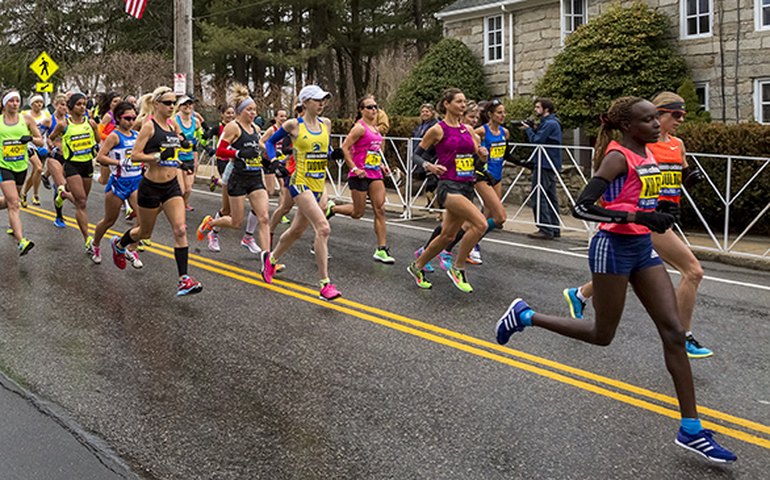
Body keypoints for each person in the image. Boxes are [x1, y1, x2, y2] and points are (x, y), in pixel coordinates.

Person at [495, 96, 736, 464]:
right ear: (627, 126)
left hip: (641, 248)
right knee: (601, 335)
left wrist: (660, 211)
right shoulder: (617, 156)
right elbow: (582, 205)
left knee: (673, 333)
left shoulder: (648, 151)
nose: (657, 124)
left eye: (658, 118)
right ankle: (525, 315)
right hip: (613, 247)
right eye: (649, 120)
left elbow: (639, 196)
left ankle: (691, 429)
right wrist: (637, 215)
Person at [563, 92, 712, 358]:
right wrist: (637, 215)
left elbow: (671, 182)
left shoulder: (677, 145)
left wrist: (688, 182)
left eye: (682, 115)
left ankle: (581, 294)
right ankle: (683, 336)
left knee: (627, 274)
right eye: (674, 114)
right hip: (641, 220)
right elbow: (609, 192)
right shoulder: (640, 145)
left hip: (661, 215)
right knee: (693, 270)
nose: (678, 120)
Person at [110, 86, 202, 296]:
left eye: (173, 103)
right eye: (168, 103)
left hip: (171, 187)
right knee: (144, 232)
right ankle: (120, 243)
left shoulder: (171, 125)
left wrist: (182, 153)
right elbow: (135, 155)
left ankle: (183, 279)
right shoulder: (148, 126)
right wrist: (158, 157)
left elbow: (176, 146)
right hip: (150, 187)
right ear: (157, 104)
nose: (172, 107)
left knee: (180, 229)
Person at [261, 85, 342, 301]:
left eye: (324, 99)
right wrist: (277, 161)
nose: (322, 103)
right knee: (323, 228)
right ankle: (325, 284)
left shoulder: (326, 124)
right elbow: (269, 142)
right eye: (317, 100)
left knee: (296, 231)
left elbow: (324, 149)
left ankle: (271, 259)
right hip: (300, 183)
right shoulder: (293, 125)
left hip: (319, 185)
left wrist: (335, 154)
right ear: (305, 102)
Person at [407, 88, 488, 293]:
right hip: (448, 186)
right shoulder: (437, 129)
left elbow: (474, 159)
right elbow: (416, 155)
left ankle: (416, 267)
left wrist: (482, 156)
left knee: (447, 236)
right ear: (446, 104)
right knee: (480, 224)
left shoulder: (468, 130)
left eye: (464, 102)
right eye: (459, 102)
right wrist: (430, 166)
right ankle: (458, 268)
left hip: (466, 185)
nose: (463, 105)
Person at [196, 84, 270, 257]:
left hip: (255, 177)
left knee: (265, 217)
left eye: (255, 110)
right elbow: (220, 150)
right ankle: (211, 224)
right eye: (249, 110)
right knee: (236, 221)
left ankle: (268, 260)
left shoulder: (256, 129)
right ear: (240, 111)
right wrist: (238, 152)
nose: (253, 113)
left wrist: (270, 160)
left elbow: (256, 149)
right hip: (237, 177)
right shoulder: (233, 127)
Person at [327, 95, 394, 263]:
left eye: (375, 107)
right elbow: (345, 147)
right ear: (361, 110)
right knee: (358, 213)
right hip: (359, 175)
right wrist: (355, 168)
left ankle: (381, 249)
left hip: (374, 174)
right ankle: (332, 209)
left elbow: (373, 152)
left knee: (380, 209)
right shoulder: (359, 128)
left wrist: (380, 166)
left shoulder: (377, 130)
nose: (373, 110)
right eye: (369, 107)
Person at [91, 102, 143, 267]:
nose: (131, 121)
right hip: (118, 183)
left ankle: (130, 248)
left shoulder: (136, 135)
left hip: (135, 182)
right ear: (118, 118)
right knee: (109, 220)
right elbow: (100, 157)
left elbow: (140, 155)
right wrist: (119, 162)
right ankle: (95, 244)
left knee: (143, 221)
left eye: (134, 118)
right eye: (127, 118)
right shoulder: (115, 136)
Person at [48, 93, 101, 252]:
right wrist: (57, 148)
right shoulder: (64, 125)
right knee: (82, 202)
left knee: (82, 199)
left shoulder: (90, 123)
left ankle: (63, 194)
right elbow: (51, 138)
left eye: (84, 104)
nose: (83, 107)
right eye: (78, 104)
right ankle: (87, 240)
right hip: (72, 165)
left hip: (87, 164)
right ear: (71, 106)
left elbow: (97, 140)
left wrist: (96, 130)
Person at [0, 90, 44, 254]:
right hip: (4, 167)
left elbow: (40, 141)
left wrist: (31, 139)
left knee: (12, 201)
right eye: (11, 101)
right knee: (14, 204)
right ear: (4, 103)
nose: (15, 103)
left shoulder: (26, 119)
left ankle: (15, 228)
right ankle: (21, 241)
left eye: (17, 101)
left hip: (21, 166)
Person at [522, 97, 562, 240]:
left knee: (539, 195)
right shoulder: (551, 122)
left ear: (546, 109)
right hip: (549, 162)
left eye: (538, 107)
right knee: (551, 196)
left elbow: (537, 141)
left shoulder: (550, 123)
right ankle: (554, 227)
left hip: (544, 163)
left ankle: (545, 228)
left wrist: (528, 131)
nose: (535, 110)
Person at [261, 108, 295, 243]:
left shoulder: (287, 131)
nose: (283, 118)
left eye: (285, 116)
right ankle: (259, 207)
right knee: (269, 190)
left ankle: (281, 212)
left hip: (281, 162)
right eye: (281, 116)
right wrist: (271, 152)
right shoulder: (272, 129)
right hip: (269, 161)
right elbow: (261, 141)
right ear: (275, 117)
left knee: (282, 186)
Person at [39, 94, 69, 227]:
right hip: (54, 155)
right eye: (61, 104)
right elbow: (39, 136)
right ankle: (59, 216)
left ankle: (45, 176)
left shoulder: (70, 121)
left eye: (66, 105)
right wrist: (48, 147)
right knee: (60, 186)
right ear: (56, 104)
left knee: (68, 186)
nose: (64, 107)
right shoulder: (48, 121)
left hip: (68, 156)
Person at [173, 95, 201, 212]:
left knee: (189, 189)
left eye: (190, 104)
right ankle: (178, 209)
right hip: (178, 158)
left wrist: (196, 161)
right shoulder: (174, 121)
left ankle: (183, 204)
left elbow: (195, 143)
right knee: (182, 189)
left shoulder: (196, 122)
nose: (188, 106)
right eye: (185, 104)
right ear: (179, 106)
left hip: (189, 157)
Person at [20, 94, 48, 207]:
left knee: (36, 172)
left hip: (42, 145)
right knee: (38, 168)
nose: (39, 104)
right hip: (30, 145)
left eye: (41, 102)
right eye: (36, 102)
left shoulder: (46, 115)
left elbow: (51, 128)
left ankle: (24, 193)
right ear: (31, 104)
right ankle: (35, 194)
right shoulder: (25, 115)